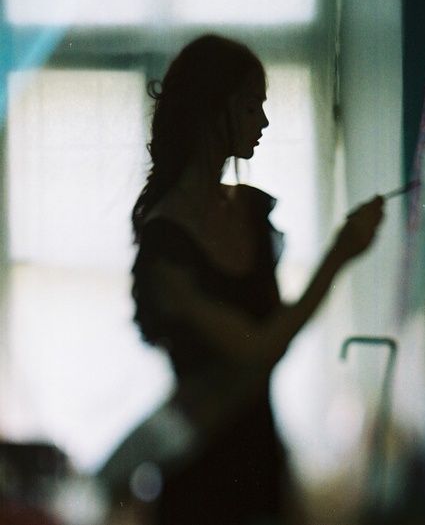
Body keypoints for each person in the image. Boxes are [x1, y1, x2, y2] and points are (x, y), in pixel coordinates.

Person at [131, 33, 385, 525]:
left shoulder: (250, 211)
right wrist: (339, 255)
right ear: (211, 112)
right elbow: (258, 349)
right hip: (200, 473)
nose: (264, 122)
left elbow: (274, 334)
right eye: (252, 107)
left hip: (262, 456)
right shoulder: (166, 242)